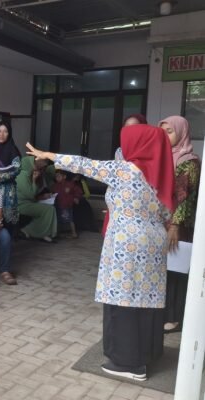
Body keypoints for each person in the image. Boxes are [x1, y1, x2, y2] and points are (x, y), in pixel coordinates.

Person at [25, 123, 175, 381]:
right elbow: (165, 212)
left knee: (123, 301)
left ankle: (128, 364)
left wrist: (49, 155)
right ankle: (147, 354)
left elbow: (85, 165)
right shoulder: (160, 174)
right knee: (145, 301)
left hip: (127, 245)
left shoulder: (126, 170)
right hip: (153, 242)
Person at [159, 115, 201, 333]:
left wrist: (175, 225)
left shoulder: (189, 162)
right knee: (164, 270)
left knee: (176, 270)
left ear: (181, 132)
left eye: (170, 131)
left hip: (178, 225)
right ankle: (164, 312)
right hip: (162, 222)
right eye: (162, 131)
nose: (165, 136)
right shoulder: (164, 157)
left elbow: (186, 198)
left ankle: (174, 317)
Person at [16, 156, 57, 242]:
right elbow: (31, 195)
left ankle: (43, 233)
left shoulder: (28, 174)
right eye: (34, 163)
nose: (36, 167)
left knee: (50, 209)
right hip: (21, 205)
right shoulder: (22, 175)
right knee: (49, 210)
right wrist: (34, 180)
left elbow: (33, 194)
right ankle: (30, 231)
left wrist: (43, 197)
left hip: (28, 202)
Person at [52, 169, 82, 239]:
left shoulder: (69, 184)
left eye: (59, 176)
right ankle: (57, 233)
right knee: (59, 219)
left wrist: (76, 198)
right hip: (59, 205)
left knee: (70, 219)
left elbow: (78, 191)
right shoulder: (55, 186)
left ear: (64, 176)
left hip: (67, 205)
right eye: (56, 176)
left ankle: (74, 233)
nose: (57, 178)